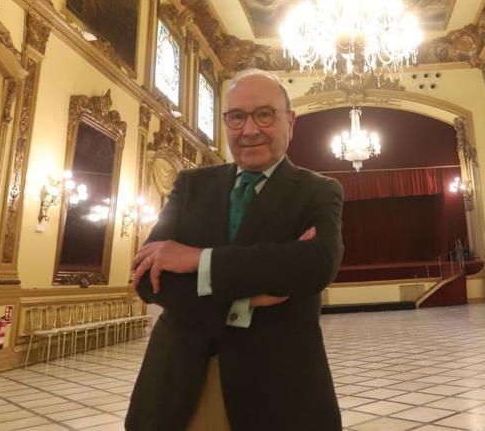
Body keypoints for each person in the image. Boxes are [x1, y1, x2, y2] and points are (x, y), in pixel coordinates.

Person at [125, 69, 344, 431]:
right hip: (177, 386)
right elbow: (148, 280)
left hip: (278, 392)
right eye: (237, 117)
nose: (249, 129)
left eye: (264, 114)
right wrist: (249, 299)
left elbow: (316, 265)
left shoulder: (318, 191)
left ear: (290, 122)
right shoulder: (190, 186)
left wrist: (198, 259)